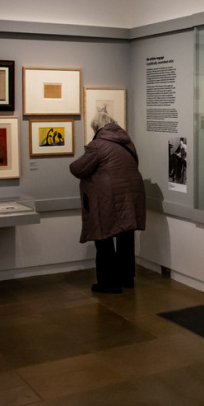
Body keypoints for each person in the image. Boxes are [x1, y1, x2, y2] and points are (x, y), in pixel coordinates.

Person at [70, 112, 146, 294]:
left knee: (103, 235)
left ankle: (109, 283)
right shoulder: (127, 142)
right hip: (131, 193)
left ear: (96, 128)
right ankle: (126, 279)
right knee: (125, 235)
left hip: (108, 196)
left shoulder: (97, 145)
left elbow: (77, 168)